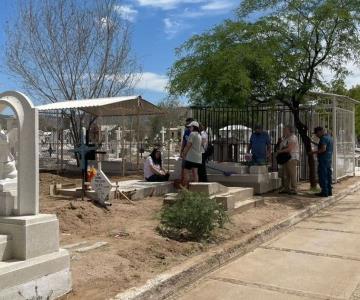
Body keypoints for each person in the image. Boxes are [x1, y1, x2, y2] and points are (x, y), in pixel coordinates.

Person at [310, 127, 333, 197]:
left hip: (323, 160)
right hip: (328, 160)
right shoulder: (329, 137)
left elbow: (323, 149)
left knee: (323, 176)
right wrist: (312, 142)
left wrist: (313, 152)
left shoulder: (323, 138)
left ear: (320, 132)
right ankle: (329, 191)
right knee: (328, 176)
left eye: (316, 133)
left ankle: (324, 192)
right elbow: (322, 146)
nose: (316, 135)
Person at [277, 125, 299, 195]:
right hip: (285, 158)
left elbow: (289, 149)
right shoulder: (286, 137)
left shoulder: (293, 137)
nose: (284, 131)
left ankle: (294, 189)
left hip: (291, 158)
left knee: (292, 173)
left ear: (289, 130)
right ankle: (286, 188)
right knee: (285, 174)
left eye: (285, 129)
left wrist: (280, 151)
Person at [181, 121, 202, 187]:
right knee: (195, 173)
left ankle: (185, 188)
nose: (189, 128)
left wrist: (184, 153)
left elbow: (188, 145)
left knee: (186, 172)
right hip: (198, 158)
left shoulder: (192, 134)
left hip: (190, 157)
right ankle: (196, 189)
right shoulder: (199, 135)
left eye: (190, 127)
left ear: (193, 127)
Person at [180, 118, 194, 183]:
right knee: (183, 167)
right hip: (185, 152)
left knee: (193, 169)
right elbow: (184, 142)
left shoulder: (195, 133)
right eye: (187, 124)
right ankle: (183, 182)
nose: (187, 125)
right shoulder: (186, 131)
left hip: (192, 153)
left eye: (188, 124)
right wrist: (181, 151)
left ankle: (194, 184)